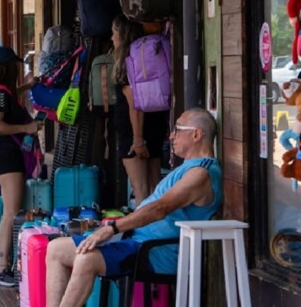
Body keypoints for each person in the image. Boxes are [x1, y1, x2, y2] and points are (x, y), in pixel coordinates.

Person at [46, 108, 222, 307]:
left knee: (87, 259)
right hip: (135, 240)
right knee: (56, 249)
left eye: (178, 129)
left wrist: (112, 228)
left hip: (155, 251)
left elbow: (160, 209)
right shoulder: (187, 167)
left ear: (197, 134)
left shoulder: (202, 174)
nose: (172, 135)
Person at [0, 46, 40, 287]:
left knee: (12, 210)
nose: (19, 68)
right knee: (10, 211)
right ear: (8, 67)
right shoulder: (1, 93)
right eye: (16, 65)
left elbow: (5, 101)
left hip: (8, 155)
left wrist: (28, 86)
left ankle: (5, 267)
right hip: (7, 155)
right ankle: (3, 269)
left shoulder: (4, 91)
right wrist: (26, 128)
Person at [111, 16, 169, 207]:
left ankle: (146, 233)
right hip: (154, 128)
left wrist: (137, 140)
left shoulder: (127, 62)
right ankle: (158, 232)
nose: (112, 38)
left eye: (114, 33)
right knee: (155, 189)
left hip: (134, 134)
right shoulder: (144, 58)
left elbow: (134, 106)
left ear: (123, 35)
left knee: (141, 191)